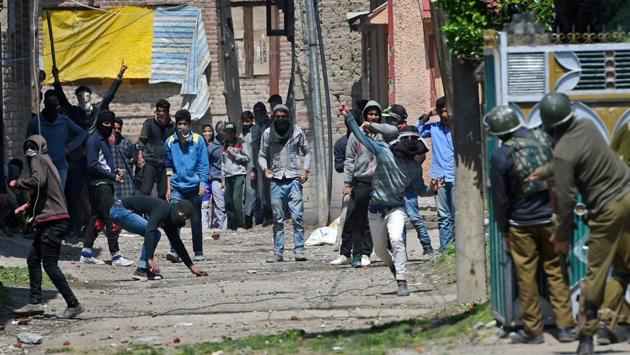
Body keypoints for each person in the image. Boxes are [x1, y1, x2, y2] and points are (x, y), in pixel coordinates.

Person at [535, 92, 630, 354]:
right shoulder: (587, 127)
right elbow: (582, 157)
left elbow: (565, 201)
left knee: (596, 275)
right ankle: (609, 327)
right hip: (628, 195)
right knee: (624, 268)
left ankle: (587, 338)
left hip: (606, 209)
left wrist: (562, 236)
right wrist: (546, 170)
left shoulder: (563, 153)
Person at [485, 105, 575, 344]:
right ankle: (566, 327)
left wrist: (504, 228)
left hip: (521, 224)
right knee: (556, 273)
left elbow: (500, 198)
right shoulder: (543, 140)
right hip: (550, 220)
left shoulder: (501, 154)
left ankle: (533, 332)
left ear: (499, 132)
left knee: (526, 277)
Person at [341, 103, 428, 296]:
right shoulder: (383, 151)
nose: (411, 144)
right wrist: (349, 118)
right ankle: (394, 269)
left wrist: (435, 190)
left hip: (396, 208)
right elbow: (362, 135)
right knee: (380, 250)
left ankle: (402, 280)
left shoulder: (414, 168)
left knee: (397, 240)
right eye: (408, 139)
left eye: (415, 140)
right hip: (375, 210)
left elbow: (422, 190)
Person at [11, 135, 84, 318]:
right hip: (51, 220)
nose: (29, 150)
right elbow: (44, 192)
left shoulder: (38, 159)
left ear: (40, 147)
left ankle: (73, 304)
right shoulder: (48, 162)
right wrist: (26, 207)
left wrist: (17, 183)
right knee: (33, 260)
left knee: (50, 264)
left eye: (32, 146)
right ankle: (34, 302)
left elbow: (37, 182)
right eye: (27, 146)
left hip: (54, 221)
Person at [332, 101, 394, 267]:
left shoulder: (382, 134)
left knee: (373, 219)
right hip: (361, 182)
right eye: (370, 114)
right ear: (365, 115)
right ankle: (353, 253)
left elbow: (393, 131)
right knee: (356, 218)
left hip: (379, 182)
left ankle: (367, 252)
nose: (373, 117)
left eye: (376, 114)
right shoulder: (356, 135)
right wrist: (347, 183)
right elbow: (350, 161)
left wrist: (376, 128)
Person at [259, 104, 311, 262]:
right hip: (276, 180)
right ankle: (278, 252)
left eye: (283, 117)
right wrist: (265, 169)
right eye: (277, 117)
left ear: (288, 117)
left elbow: (307, 151)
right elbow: (262, 154)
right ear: (273, 117)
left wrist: (305, 169)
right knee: (278, 218)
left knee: (297, 217)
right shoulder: (268, 133)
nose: (280, 119)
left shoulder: (296, 131)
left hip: (294, 178)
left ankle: (299, 250)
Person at [81, 111, 133, 266]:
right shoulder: (93, 140)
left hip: (105, 182)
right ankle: (116, 256)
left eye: (111, 124)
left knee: (96, 218)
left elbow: (102, 163)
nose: (109, 126)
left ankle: (86, 252)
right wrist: (112, 177)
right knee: (111, 218)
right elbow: (92, 164)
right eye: (106, 123)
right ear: (99, 123)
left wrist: (115, 171)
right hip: (100, 185)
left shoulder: (104, 140)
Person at [384, 104, 434, 256]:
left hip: (410, 186)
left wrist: (410, 169)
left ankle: (427, 247)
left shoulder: (407, 134)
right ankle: (401, 250)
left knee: (414, 217)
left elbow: (420, 153)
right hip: (396, 187)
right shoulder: (392, 135)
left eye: (392, 119)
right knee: (398, 221)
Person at [119, 196, 208, 278]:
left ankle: (142, 269)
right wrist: (150, 259)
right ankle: (142, 269)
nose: (182, 218)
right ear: (178, 209)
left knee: (155, 233)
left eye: (185, 218)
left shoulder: (170, 218)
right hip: (121, 209)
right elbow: (150, 231)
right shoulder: (163, 209)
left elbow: (177, 243)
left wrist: (191, 266)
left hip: (123, 211)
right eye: (182, 214)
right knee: (154, 233)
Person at [164, 109, 209, 262]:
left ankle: (198, 251)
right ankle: (174, 250)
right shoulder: (170, 142)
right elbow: (168, 166)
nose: (181, 127)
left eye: (184, 124)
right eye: (179, 124)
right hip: (177, 185)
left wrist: (203, 183)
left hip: (194, 186)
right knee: (174, 218)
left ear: (189, 124)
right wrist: (169, 187)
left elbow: (203, 163)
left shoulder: (198, 140)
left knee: (196, 218)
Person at [26, 89, 87, 187]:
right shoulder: (35, 122)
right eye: (49, 101)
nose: (52, 103)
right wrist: (33, 165)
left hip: (60, 167)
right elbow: (28, 146)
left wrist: (68, 148)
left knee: (57, 198)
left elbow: (82, 133)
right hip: (41, 167)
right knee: (43, 197)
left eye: (54, 101)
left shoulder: (64, 121)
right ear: (44, 102)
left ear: (58, 103)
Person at [417, 96, 455, 252]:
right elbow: (417, 129)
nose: (445, 114)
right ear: (438, 112)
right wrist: (427, 115)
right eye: (442, 111)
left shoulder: (460, 128)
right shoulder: (434, 128)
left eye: (447, 111)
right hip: (439, 176)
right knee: (444, 215)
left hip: (456, 175)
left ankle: (458, 247)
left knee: (457, 215)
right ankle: (446, 249)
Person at [52, 63, 128, 134]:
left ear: (90, 97)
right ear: (78, 98)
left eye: (86, 96)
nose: (84, 98)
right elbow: (61, 97)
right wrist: (56, 78)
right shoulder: (73, 111)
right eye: (81, 96)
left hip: (93, 145)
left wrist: (120, 75)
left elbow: (108, 97)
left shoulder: (96, 109)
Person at [137, 99, 175, 200]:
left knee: (163, 193)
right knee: (145, 190)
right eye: (159, 111)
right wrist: (140, 156)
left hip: (166, 164)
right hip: (150, 161)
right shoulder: (149, 123)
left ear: (167, 113)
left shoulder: (173, 127)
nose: (161, 114)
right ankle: (142, 213)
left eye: (163, 111)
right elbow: (142, 140)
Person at [222, 122, 250, 230]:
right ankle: (232, 225)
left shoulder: (240, 143)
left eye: (231, 132)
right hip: (228, 176)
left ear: (234, 132)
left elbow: (247, 158)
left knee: (237, 200)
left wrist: (235, 154)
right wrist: (222, 178)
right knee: (228, 201)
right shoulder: (225, 144)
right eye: (227, 132)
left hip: (238, 174)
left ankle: (241, 225)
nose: (229, 134)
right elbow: (223, 162)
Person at [251, 102, 274, 226]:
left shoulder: (270, 124)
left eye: (260, 112)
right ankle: (266, 214)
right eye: (256, 113)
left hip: (272, 158)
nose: (258, 115)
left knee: (272, 187)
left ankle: (275, 213)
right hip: (260, 160)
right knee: (262, 189)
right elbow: (255, 144)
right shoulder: (255, 128)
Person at [111, 117, 138, 201]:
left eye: (118, 128)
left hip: (126, 182)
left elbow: (135, 159)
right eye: (114, 128)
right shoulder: (105, 143)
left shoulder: (127, 143)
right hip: (112, 179)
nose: (116, 130)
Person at [239, 111, 258, 228]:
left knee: (252, 193)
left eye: (248, 121)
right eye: (244, 121)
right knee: (246, 195)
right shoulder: (241, 136)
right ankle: (247, 220)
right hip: (244, 168)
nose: (246, 124)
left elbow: (254, 153)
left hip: (253, 166)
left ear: (252, 121)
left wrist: (254, 169)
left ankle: (255, 218)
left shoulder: (254, 134)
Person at [200, 124, 215, 229]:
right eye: (205, 131)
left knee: (217, 204)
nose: (207, 133)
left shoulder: (216, 145)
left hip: (216, 178)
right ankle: (204, 226)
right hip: (204, 180)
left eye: (209, 131)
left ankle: (215, 224)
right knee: (204, 204)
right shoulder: (199, 145)